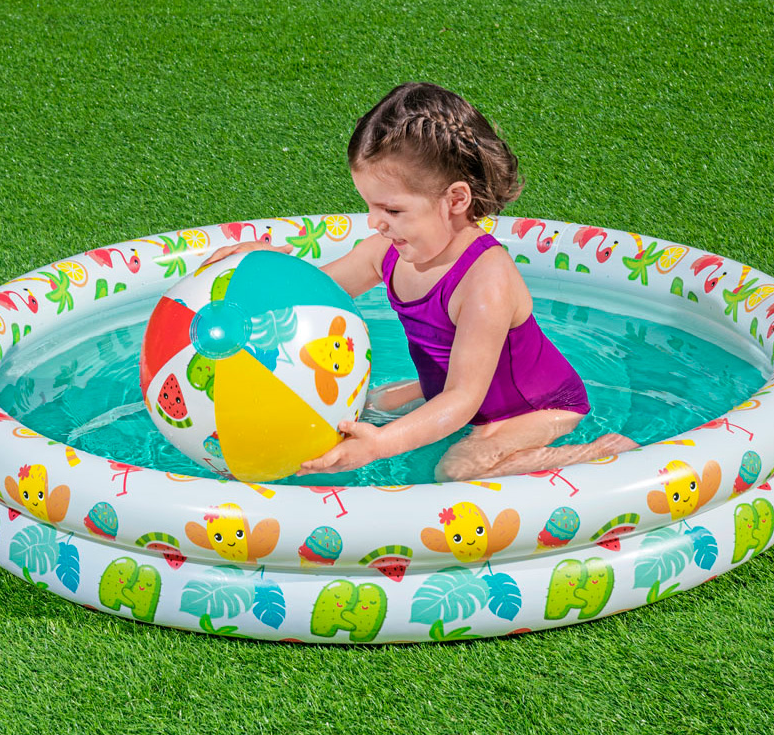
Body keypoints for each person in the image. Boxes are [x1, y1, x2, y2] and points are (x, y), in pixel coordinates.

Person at [208, 82, 637, 481]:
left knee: (456, 471)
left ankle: (596, 454)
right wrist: (259, 265)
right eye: (369, 206)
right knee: (362, 408)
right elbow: (311, 297)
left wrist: (379, 446)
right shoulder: (388, 252)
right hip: (449, 387)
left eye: (392, 210)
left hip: (533, 408)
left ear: (455, 200)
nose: (375, 222)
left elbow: (462, 399)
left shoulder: (485, 280)